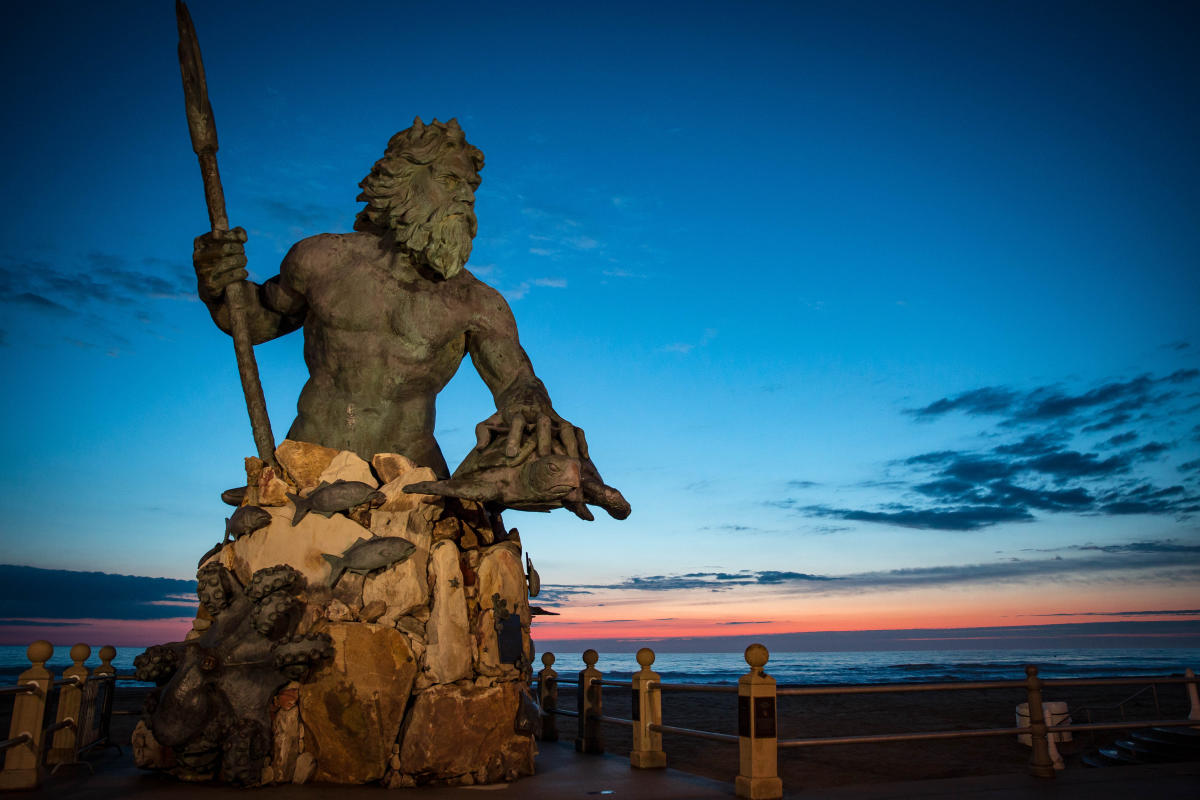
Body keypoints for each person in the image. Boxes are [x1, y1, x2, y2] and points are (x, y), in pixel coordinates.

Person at [193, 117, 627, 519]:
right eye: (450, 180)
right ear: (404, 181)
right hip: (308, 466)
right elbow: (256, 321)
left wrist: (532, 406)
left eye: (471, 190)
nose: (464, 197)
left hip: (413, 481)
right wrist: (218, 286)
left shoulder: (477, 302)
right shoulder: (322, 260)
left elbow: (516, 381)